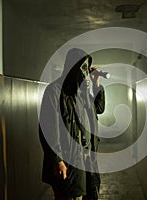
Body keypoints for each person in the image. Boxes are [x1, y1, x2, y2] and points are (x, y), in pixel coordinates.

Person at [39, 48, 105, 200]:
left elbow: (99, 108)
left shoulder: (82, 93)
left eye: (86, 68)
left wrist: (96, 85)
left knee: (90, 194)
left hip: (87, 160)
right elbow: (47, 130)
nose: (84, 73)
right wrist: (57, 160)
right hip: (69, 161)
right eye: (82, 68)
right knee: (72, 196)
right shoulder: (54, 91)